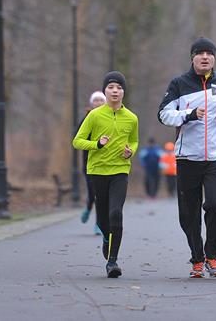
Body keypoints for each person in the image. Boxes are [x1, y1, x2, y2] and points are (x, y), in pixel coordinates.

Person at [158, 36, 216, 278]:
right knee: (188, 213)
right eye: (200, 53)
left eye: (209, 53)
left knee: (214, 205)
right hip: (187, 157)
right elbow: (163, 114)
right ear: (192, 58)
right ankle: (197, 258)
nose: (205, 57)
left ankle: (213, 256)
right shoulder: (179, 84)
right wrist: (189, 114)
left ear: (214, 58)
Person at [73, 71, 139, 278]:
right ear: (105, 91)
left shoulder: (131, 118)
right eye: (111, 87)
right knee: (102, 219)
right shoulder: (94, 115)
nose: (115, 91)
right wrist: (97, 144)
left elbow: (134, 140)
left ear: (123, 92)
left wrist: (131, 151)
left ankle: (112, 261)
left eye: (119, 87)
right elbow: (77, 141)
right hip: (97, 171)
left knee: (116, 213)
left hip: (120, 170)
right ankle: (105, 237)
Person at [80, 91, 107, 234]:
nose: (98, 103)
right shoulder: (86, 118)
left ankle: (99, 223)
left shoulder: (109, 117)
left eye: (101, 100)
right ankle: (88, 208)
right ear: (91, 103)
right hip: (89, 163)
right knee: (93, 192)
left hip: (105, 162)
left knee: (101, 194)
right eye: (96, 100)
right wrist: (95, 143)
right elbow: (78, 139)